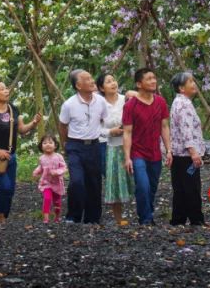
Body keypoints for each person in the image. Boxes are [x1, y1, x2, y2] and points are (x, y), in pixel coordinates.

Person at [0, 79, 41, 223]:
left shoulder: (12, 109)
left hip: (11, 156)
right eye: (2, 89)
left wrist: (34, 123)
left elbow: (21, 130)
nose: (7, 91)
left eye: (7, 88)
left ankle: (4, 217)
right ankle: (0, 215)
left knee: (10, 190)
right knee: (5, 187)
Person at [122, 67, 171, 225]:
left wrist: (169, 150)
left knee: (152, 187)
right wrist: (127, 157)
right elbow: (127, 132)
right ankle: (146, 219)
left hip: (155, 152)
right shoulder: (130, 106)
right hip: (138, 153)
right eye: (149, 79)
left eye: (154, 78)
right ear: (139, 84)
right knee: (142, 185)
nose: (153, 81)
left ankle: (148, 213)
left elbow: (164, 127)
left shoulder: (160, 102)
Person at [58, 69, 108, 224]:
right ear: (78, 85)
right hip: (75, 146)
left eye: (91, 77)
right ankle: (73, 215)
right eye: (87, 79)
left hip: (94, 145)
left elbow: (103, 119)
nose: (92, 81)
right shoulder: (69, 105)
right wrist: (65, 144)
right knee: (77, 181)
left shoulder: (100, 101)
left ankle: (92, 218)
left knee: (94, 182)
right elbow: (62, 125)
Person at [169, 71, 206, 226]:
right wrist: (194, 153)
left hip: (178, 153)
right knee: (191, 187)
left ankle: (178, 219)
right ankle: (196, 220)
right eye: (190, 82)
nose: (194, 84)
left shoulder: (179, 102)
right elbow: (186, 130)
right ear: (181, 88)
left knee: (180, 188)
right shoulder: (184, 104)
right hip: (185, 154)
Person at [96, 73, 133, 224]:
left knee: (136, 180)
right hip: (112, 147)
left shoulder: (127, 99)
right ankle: (119, 218)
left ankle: (144, 215)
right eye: (108, 82)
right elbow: (95, 130)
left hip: (131, 145)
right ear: (101, 88)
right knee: (115, 182)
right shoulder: (99, 105)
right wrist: (110, 132)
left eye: (114, 80)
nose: (113, 83)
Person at [32, 135, 67, 223]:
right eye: (45, 143)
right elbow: (41, 167)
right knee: (47, 198)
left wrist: (57, 172)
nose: (48, 145)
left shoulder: (58, 156)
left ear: (55, 145)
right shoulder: (42, 158)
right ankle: (46, 218)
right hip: (46, 182)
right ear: (41, 146)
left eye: (50, 143)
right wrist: (36, 172)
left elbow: (64, 167)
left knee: (57, 201)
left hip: (57, 183)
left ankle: (57, 216)